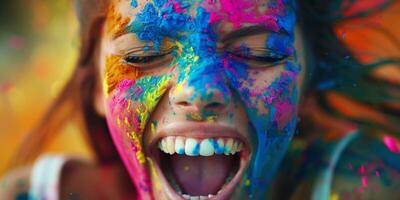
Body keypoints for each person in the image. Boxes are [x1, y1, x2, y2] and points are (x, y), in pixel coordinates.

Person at [1, 0, 399, 199]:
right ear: (95, 90)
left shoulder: (363, 184)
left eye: (260, 53)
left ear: (309, 83)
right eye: (143, 56)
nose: (199, 91)